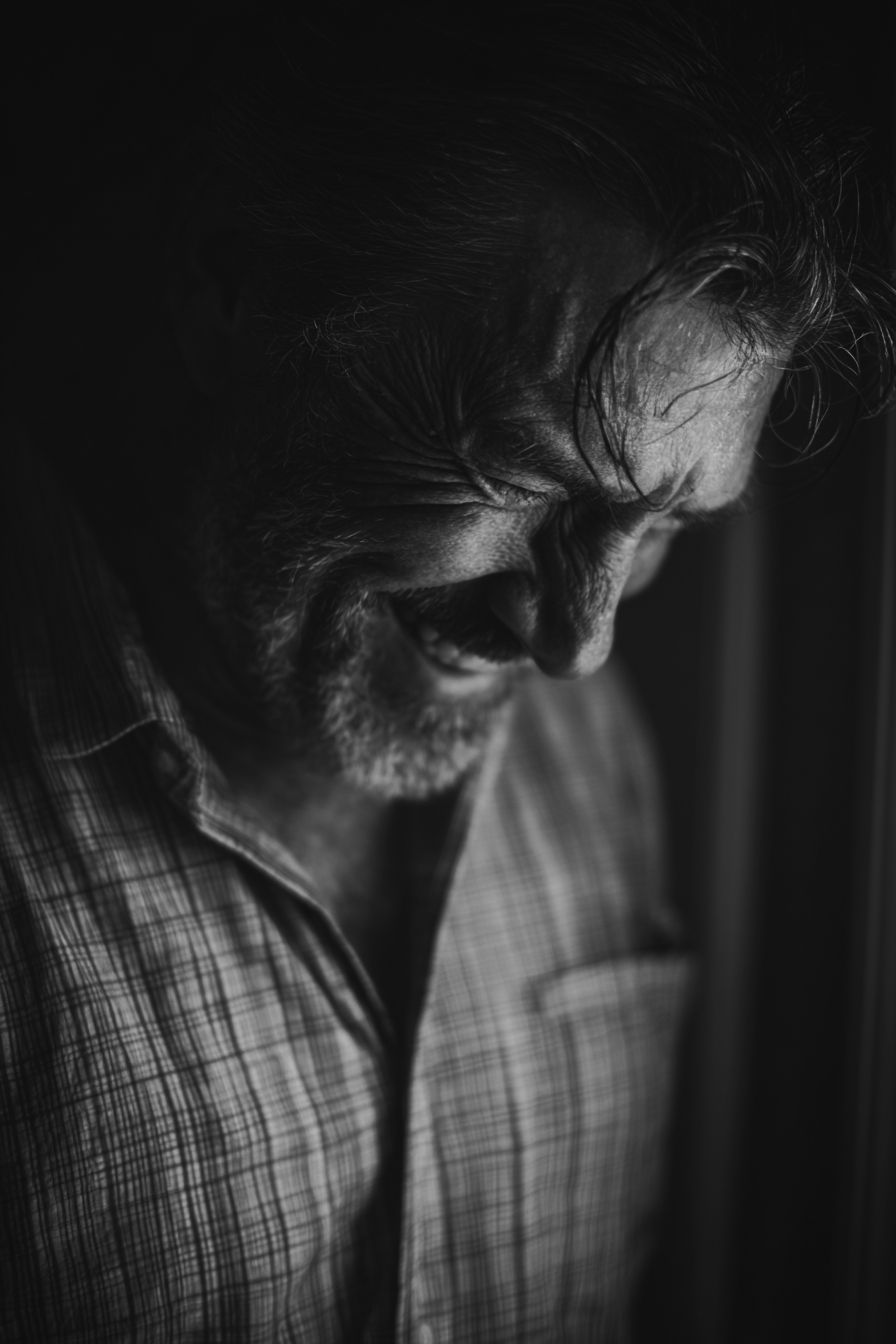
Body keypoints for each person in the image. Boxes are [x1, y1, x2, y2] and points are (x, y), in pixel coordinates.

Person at [1, 6, 892, 1341]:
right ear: (237, 275)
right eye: (527, 480)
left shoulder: (590, 749)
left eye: (660, 526)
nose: (578, 644)